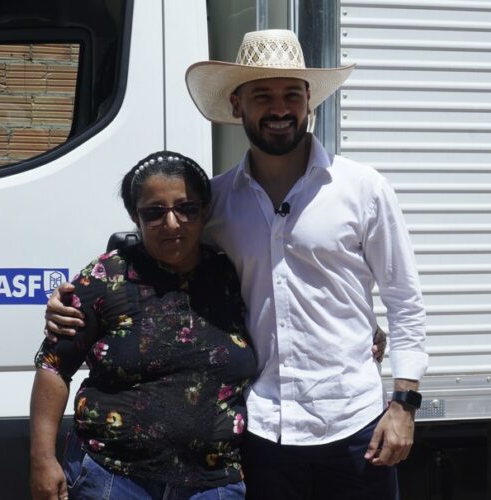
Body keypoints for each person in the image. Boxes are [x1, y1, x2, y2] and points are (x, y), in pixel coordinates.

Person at [44, 29, 427, 500]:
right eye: (261, 95)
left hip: (354, 423)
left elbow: (404, 302)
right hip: (264, 430)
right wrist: (73, 299)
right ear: (236, 105)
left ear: (309, 101)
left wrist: (404, 403)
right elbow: (155, 253)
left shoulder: (363, 190)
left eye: (291, 94)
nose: (279, 109)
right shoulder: (216, 201)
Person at [30, 152, 257, 500]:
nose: (172, 223)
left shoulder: (235, 277)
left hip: (214, 483)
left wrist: (371, 333)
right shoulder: (106, 277)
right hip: (114, 479)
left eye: (186, 208)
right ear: (135, 217)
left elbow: (288, 318)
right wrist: (42, 460)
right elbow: (53, 366)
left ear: (205, 211)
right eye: (154, 212)